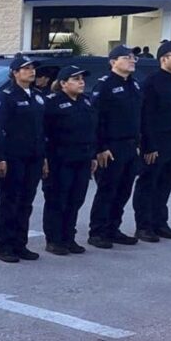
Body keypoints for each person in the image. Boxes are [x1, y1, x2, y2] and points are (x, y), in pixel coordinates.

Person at [132, 39, 171, 242]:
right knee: (149, 184)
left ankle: (160, 222)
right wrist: (148, 145)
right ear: (164, 59)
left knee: (166, 184)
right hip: (157, 142)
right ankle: (144, 226)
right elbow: (145, 116)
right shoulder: (152, 83)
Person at [87, 45, 143, 249]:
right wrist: (100, 147)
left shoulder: (134, 85)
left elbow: (137, 117)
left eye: (133, 58)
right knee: (107, 190)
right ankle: (98, 231)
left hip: (130, 146)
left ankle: (113, 228)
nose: (132, 60)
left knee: (123, 190)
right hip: (111, 147)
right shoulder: (105, 85)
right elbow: (96, 119)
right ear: (113, 62)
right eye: (127, 57)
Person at [0, 54, 47, 263]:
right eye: (26, 68)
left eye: (33, 68)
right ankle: (4, 246)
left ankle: (20, 244)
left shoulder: (37, 96)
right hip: (12, 158)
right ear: (15, 73)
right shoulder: (5, 96)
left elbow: (42, 129)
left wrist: (43, 157)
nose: (31, 71)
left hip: (33, 157)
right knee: (9, 201)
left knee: (26, 202)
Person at [42, 65, 98, 255]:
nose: (81, 82)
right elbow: (43, 133)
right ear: (63, 83)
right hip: (60, 159)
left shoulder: (85, 101)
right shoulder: (52, 103)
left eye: (82, 78)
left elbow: (92, 130)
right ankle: (54, 239)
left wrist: (92, 155)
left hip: (82, 158)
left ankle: (68, 237)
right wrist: (45, 159)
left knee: (76, 199)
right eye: (76, 79)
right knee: (58, 200)